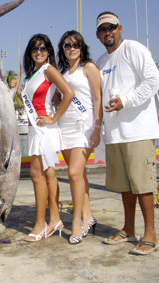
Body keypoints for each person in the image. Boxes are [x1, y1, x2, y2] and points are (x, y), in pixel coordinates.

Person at [96, 12, 159, 255]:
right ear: (98, 35)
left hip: (138, 132)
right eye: (103, 30)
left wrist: (126, 101)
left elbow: (153, 80)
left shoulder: (133, 48)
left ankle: (151, 234)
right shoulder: (101, 61)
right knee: (125, 186)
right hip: (115, 134)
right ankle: (129, 228)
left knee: (142, 184)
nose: (107, 32)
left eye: (111, 27)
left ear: (120, 28)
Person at [21, 34, 74, 242]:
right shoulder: (33, 73)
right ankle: (55, 219)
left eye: (43, 48)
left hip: (44, 129)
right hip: (37, 128)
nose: (39, 52)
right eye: (35, 49)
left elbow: (68, 93)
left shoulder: (49, 70)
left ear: (49, 51)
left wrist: (54, 117)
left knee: (37, 175)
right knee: (48, 175)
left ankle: (40, 223)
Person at [56, 30, 102, 244]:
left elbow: (97, 98)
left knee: (73, 173)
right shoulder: (62, 71)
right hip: (64, 127)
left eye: (75, 44)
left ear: (82, 47)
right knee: (79, 175)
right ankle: (88, 216)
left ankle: (77, 223)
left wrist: (97, 126)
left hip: (84, 127)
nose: (71, 48)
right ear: (62, 49)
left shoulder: (89, 68)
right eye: (67, 45)